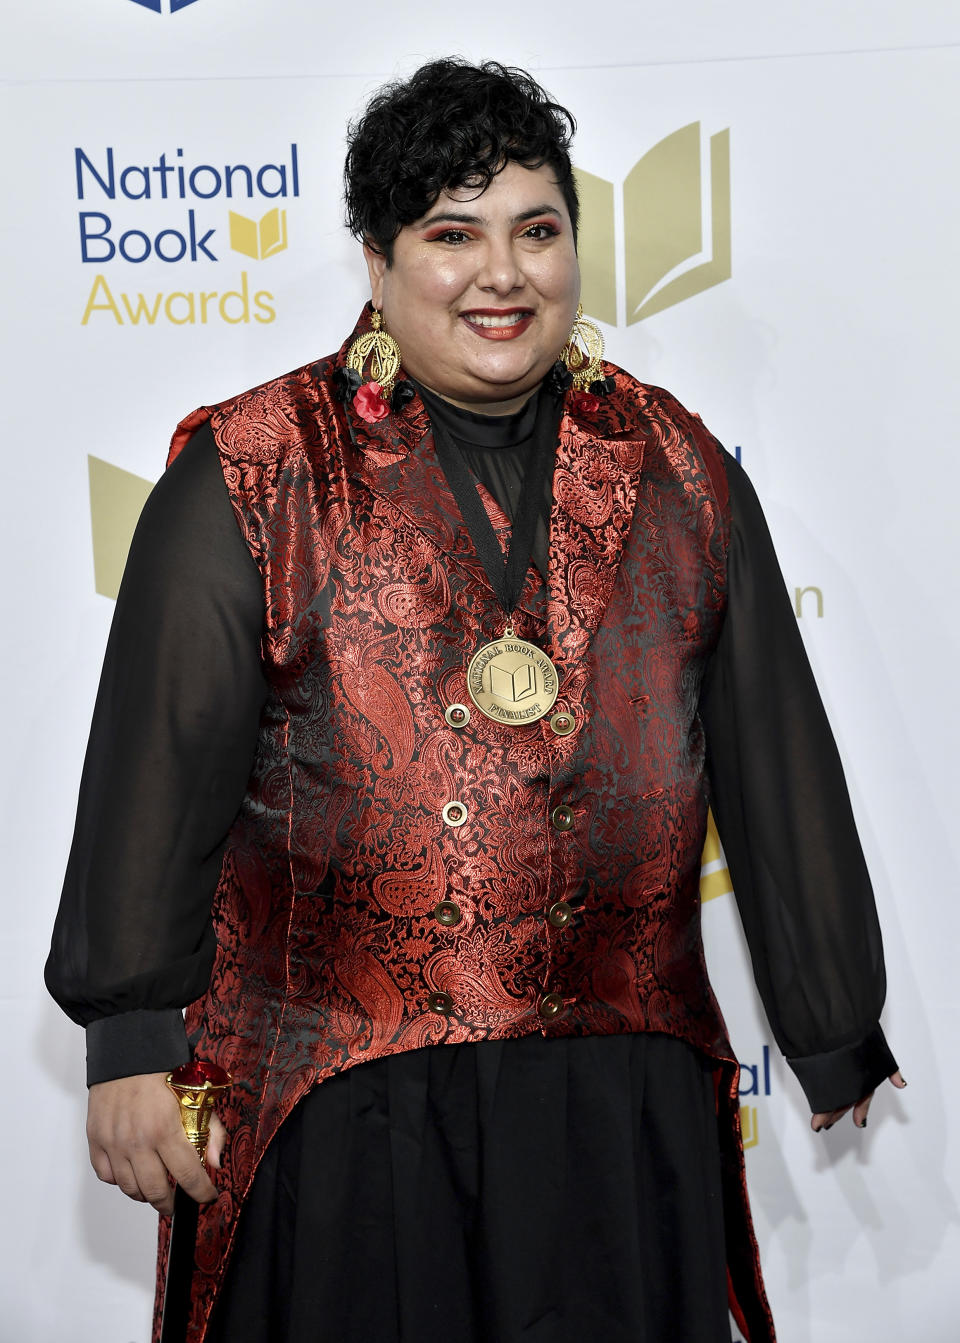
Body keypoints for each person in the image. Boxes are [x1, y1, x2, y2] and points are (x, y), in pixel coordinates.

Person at [46, 58, 903, 1343]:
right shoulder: (259, 469)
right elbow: (159, 758)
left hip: (624, 1104)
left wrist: (831, 1019)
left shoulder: (674, 462)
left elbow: (774, 750)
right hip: (344, 1106)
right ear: (380, 267)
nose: (503, 274)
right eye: (454, 234)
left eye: (538, 231)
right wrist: (129, 1031)